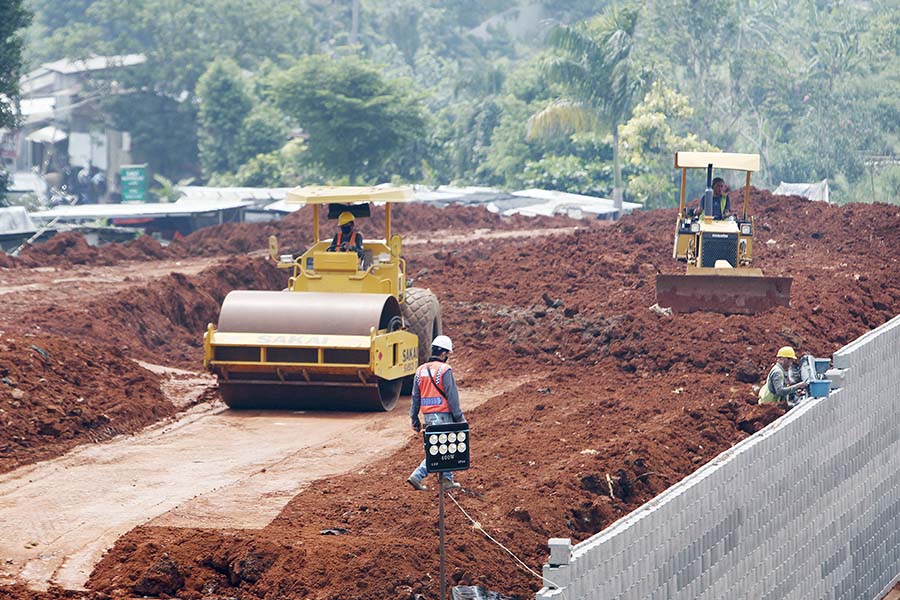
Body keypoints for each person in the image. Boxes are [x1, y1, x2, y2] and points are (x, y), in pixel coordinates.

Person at [408, 335, 465, 491]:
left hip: (428, 417)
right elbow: (452, 396)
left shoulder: (420, 370)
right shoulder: (445, 370)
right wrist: (460, 418)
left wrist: (414, 418)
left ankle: (447, 479)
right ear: (444, 353)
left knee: (442, 447)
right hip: (444, 416)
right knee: (443, 449)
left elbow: (415, 397)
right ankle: (418, 475)